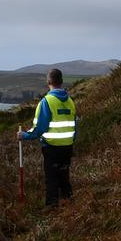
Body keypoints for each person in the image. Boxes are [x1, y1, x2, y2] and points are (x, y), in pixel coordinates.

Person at [20, 68, 77, 207]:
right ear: (62, 82)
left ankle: (52, 208)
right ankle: (70, 205)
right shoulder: (70, 101)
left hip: (52, 148)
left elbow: (40, 129)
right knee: (64, 176)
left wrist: (24, 135)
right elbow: (75, 125)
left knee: (52, 179)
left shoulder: (46, 102)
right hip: (67, 146)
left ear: (48, 82)